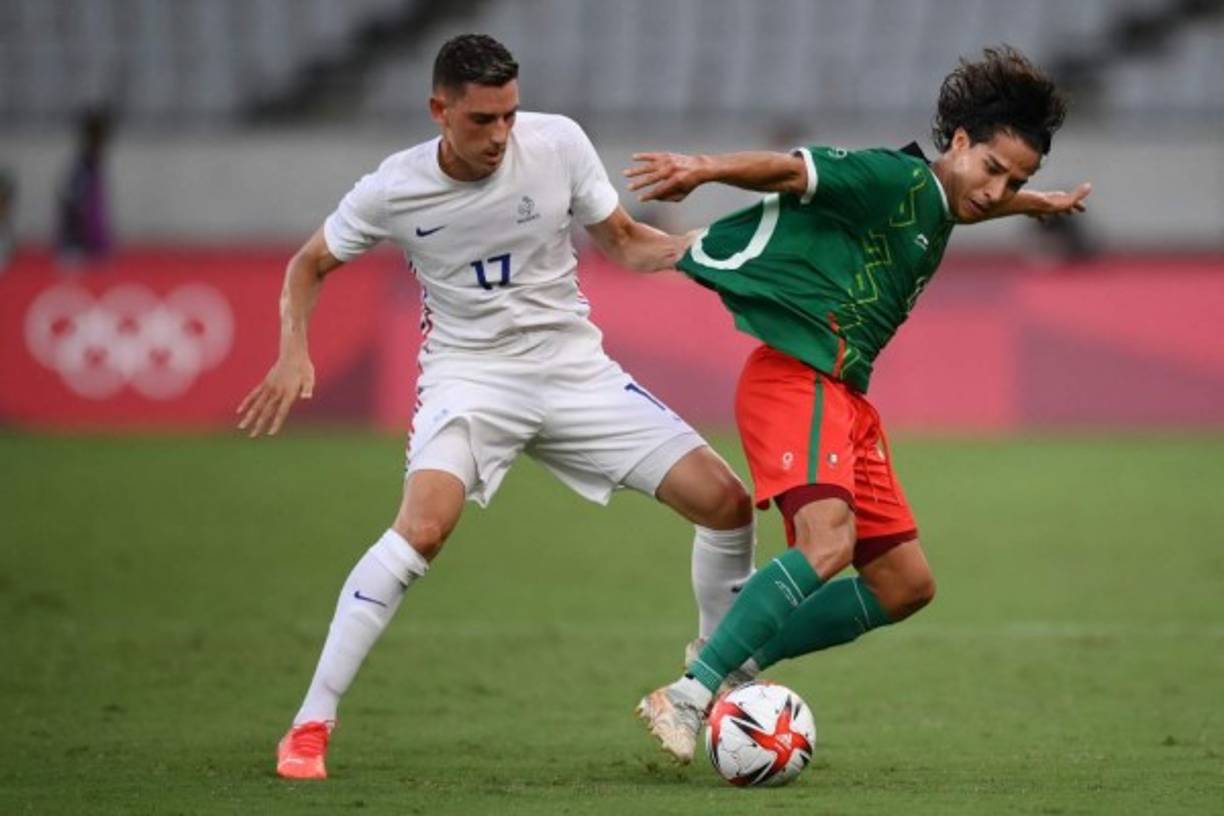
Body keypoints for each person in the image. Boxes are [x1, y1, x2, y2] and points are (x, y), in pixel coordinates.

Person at [236, 34, 756, 780]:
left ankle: (712, 681)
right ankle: (311, 723)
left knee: (729, 503)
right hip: (471, 379)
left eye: (509, 114)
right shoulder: (393, 189)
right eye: (482, 120)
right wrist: (293, 348)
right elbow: (308, 263)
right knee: (422, 529)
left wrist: (725, 251)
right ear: (439, 111)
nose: (500, 134)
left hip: (574, 371)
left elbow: (630, 245)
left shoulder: (558, 144)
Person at [630, 46, 1092, 763]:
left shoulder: (940, 203)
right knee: (827, 545)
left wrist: (1038, 204)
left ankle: (733, 656)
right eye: (993, 169)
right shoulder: (893, 177)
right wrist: (703, 167)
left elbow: (964, 213)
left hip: (842, 396)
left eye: (1017, 180)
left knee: (905, 586)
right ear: (959, 142)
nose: (997, 190)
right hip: (795, 378)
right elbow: (794, 170)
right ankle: (690, 691)